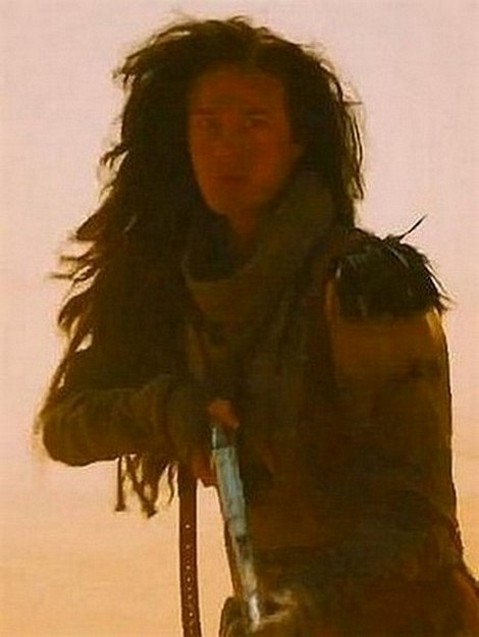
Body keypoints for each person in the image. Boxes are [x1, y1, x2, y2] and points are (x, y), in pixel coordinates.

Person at [38, 16, 479, 637]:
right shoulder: (179, 293)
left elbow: (419, 527)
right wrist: (170, 409)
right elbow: (65, 425)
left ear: (297, 141)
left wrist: (303, 612)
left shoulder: (366, 287)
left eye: (255, 124)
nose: (229, 148)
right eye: (209, 126)